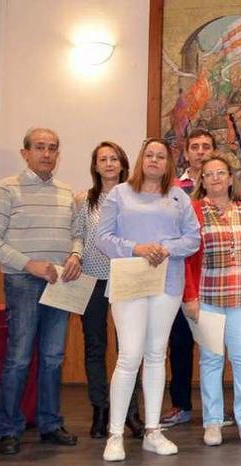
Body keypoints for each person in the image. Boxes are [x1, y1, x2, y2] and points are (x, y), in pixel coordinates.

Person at [0, 128, 82, 455]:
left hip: (60, 284)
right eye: (40, 148)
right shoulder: (6, 188)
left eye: (53, 148)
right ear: (25, 153)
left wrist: (76, 255)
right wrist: (29, 264)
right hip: (23, 282)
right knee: (19, 358)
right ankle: (9, 430)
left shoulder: (67, 192)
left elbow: (77, 234)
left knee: (53, 358)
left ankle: (50, 424)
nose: (47, 154)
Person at [97, 138, 201, 461]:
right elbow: (103, 238)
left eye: (161, 156)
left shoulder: (178, 197)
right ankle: (115, 435)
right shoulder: (119, 194)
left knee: (156, 354)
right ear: (141, 160)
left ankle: (153, 431)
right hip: (130, 279)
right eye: (149, 155)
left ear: (168, 163)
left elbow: (194, 239)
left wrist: (166, 247)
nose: (154, 160)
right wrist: (138, 248)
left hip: (167, 282)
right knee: (129, 355)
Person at [182, 154, 241, 447]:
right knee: (211, 360)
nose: (216, 178)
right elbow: (187, 258)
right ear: (202, 181)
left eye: (221, 173)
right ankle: (213, 422)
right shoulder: (193, 211)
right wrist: (190, 296)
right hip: (207, 299)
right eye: (209, 174)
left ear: (231, 178)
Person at [73, 141, 144, 440]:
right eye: (103, 159)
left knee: (130, 347)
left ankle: (130, 414)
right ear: (95, 166)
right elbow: (78, 234)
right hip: (91, 279)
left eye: (114, 158)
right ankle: (100, 411)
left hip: (125, 276)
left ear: (123, 163)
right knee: (95, 347)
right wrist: (75, 255)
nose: (109, 163)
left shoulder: (135, 198)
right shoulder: (83, 199)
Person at [161, 129, 216, 428]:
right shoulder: (173, 189)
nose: (200, 152)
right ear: (186, 152)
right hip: (181, 275)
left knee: (215, 345)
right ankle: (180, 404)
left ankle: (215, 409)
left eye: (206, 146)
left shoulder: (223, 188)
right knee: (180, 342)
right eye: (195, 147)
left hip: (217, 277)